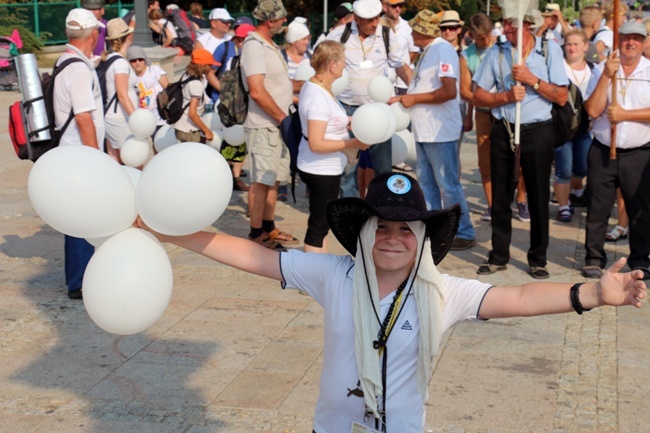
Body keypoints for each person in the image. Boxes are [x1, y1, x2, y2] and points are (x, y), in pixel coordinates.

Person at [136, 171, 646, 433]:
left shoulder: (443, 291)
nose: (394, 238)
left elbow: (519, 295)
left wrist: (592, 294)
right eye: (384, 226)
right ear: (365, 233)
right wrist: (168, 231)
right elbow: (252, 257)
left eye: (408, 229)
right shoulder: (335, 274)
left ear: (423, 239)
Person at [472, 6, 569, 279]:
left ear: (527, 24)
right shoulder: (497, 52)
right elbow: (477, 94)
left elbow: (561, 96)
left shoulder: (549, 50)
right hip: (504, 128)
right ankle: (498, 255)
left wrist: (532, 81)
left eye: (513, 23)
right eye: (505, 22)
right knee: (501, 195)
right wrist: (503, 98)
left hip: (538, 130)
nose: (508, 28)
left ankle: (538, 258)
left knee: (538, 195)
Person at [390, 10, 476, 252]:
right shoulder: (430, 51)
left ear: (421, 32)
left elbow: (449, 91)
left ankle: (464, 231)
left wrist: (413, 98)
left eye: (414, 30)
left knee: (447, 184)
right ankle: (433, 228)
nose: (411, 34)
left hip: (439, 131)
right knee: (427, 183)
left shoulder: (442, 50)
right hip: (426, 130)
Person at [581, 20, 650, 280]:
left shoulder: (649, 70)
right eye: (626, 38)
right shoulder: (602, 68)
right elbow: (593, 110)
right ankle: (594, 258)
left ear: (643, 42)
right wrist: (607, 76)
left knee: (640, 210)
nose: (631, 42)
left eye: (637, 38)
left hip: (639, 152)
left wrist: (625, 114)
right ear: (618, 40)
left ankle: (641, 260)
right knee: (597, 207)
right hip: (602, 150)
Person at [324, 0, 412, 197]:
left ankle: (385, 207)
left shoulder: (387, 35)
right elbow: (323, 68)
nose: (374, 23)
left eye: (376, 18)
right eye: (369, 20)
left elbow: (401, 66)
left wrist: (414, 93)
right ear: (356, 19)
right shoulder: (339, 35)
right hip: (346, 110)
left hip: (379, 113)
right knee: (348, 168)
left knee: (382, 166)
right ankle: (351, 209)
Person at [297, 41, 369, 253]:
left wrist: (347, 120)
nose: (345, 66)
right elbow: (317, 143)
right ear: (332, 65)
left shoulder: (318, 87)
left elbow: (326, 121)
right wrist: (353, 143)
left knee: (323, 222)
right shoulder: (318, 96)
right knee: (318, 226)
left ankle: (320, 267)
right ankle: (310, 276)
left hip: (322, 167)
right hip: (320, 168)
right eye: (343, 62)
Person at [55, 8, 106, 299]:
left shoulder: (66, 61)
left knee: (79, 218)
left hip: (69, 155)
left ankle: (80, 277)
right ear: (93, 34)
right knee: (83, 219)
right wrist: (96, 157)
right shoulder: (78, 69)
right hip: (80, 157)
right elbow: (84, 118)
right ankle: (81, 281)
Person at [240, 0, 296, 251]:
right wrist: (281, 117)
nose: (284, 22)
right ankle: (255, 233)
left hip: (276, 124)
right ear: (270, 21)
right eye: (282, 18)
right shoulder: (254, 46)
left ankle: (268, 226)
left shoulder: (269, 45)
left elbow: (276, 85)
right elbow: (257, 91)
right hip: (264, 124)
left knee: (274, 179)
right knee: (261, 180)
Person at [460, 13, 500, 222]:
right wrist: (470, 115)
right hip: (483, 112)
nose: (484, 42)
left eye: (486, 37)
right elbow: (466, 90)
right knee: (485, 162)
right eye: (479, 39)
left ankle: (520, 199)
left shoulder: (502, 48)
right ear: (471, 36)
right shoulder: (467, 55)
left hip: (504, 112)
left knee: (515, 160)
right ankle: (492, 204)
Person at [553, 29, 593, 223]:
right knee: (564, 170)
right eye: (569, 44)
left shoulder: (593, 69)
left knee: (583, 168)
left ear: (585, 46)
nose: (572, 48)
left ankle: (577, 190)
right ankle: (563, 206)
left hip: (586, 129)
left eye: (576, 44)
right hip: (563, 129)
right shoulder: (558, 68)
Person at [213, 23, 256, 192]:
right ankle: (224, 177)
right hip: (233, 106)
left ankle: (235, 177)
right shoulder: (233, 60)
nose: (240, 43)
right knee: (229, 142)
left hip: (247, 106)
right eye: (239, 40)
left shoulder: (253, 59)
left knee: (242, 144)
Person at [380, 0, 417, 173]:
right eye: (394, 5)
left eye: (401, 5)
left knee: (402, 123)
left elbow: (413, 50)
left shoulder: (407, 27)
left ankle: (399, 157)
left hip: (401, 82)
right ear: (384, 6)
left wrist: (402, 67)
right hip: (381, 85)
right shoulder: (377, 25)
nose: (398, 8)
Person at [103, 18, 137, 164]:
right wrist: (137, 119)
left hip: (111, 115)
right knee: (134, 161)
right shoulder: (121, 63)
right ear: (129, 36)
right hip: (122, 119)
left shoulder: (110, 59)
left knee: (114, 160)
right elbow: (122, 95)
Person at [172, 49, 217, 144]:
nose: (212, 67)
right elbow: (192, 113)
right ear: (203, 66)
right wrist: (207, 131)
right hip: (189, 129)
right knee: (194, 157)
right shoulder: (196, 84)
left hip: (182, 126)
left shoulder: (186, 75)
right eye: (210, 65)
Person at [127, 45, 169, 142]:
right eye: (133, 60)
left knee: (159, 144)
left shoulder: (154, 70)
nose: (137, 63)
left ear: (145, 59)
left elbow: (168, 89)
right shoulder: (131, 77)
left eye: (140, 59)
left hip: (159, 118)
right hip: (142, 120)